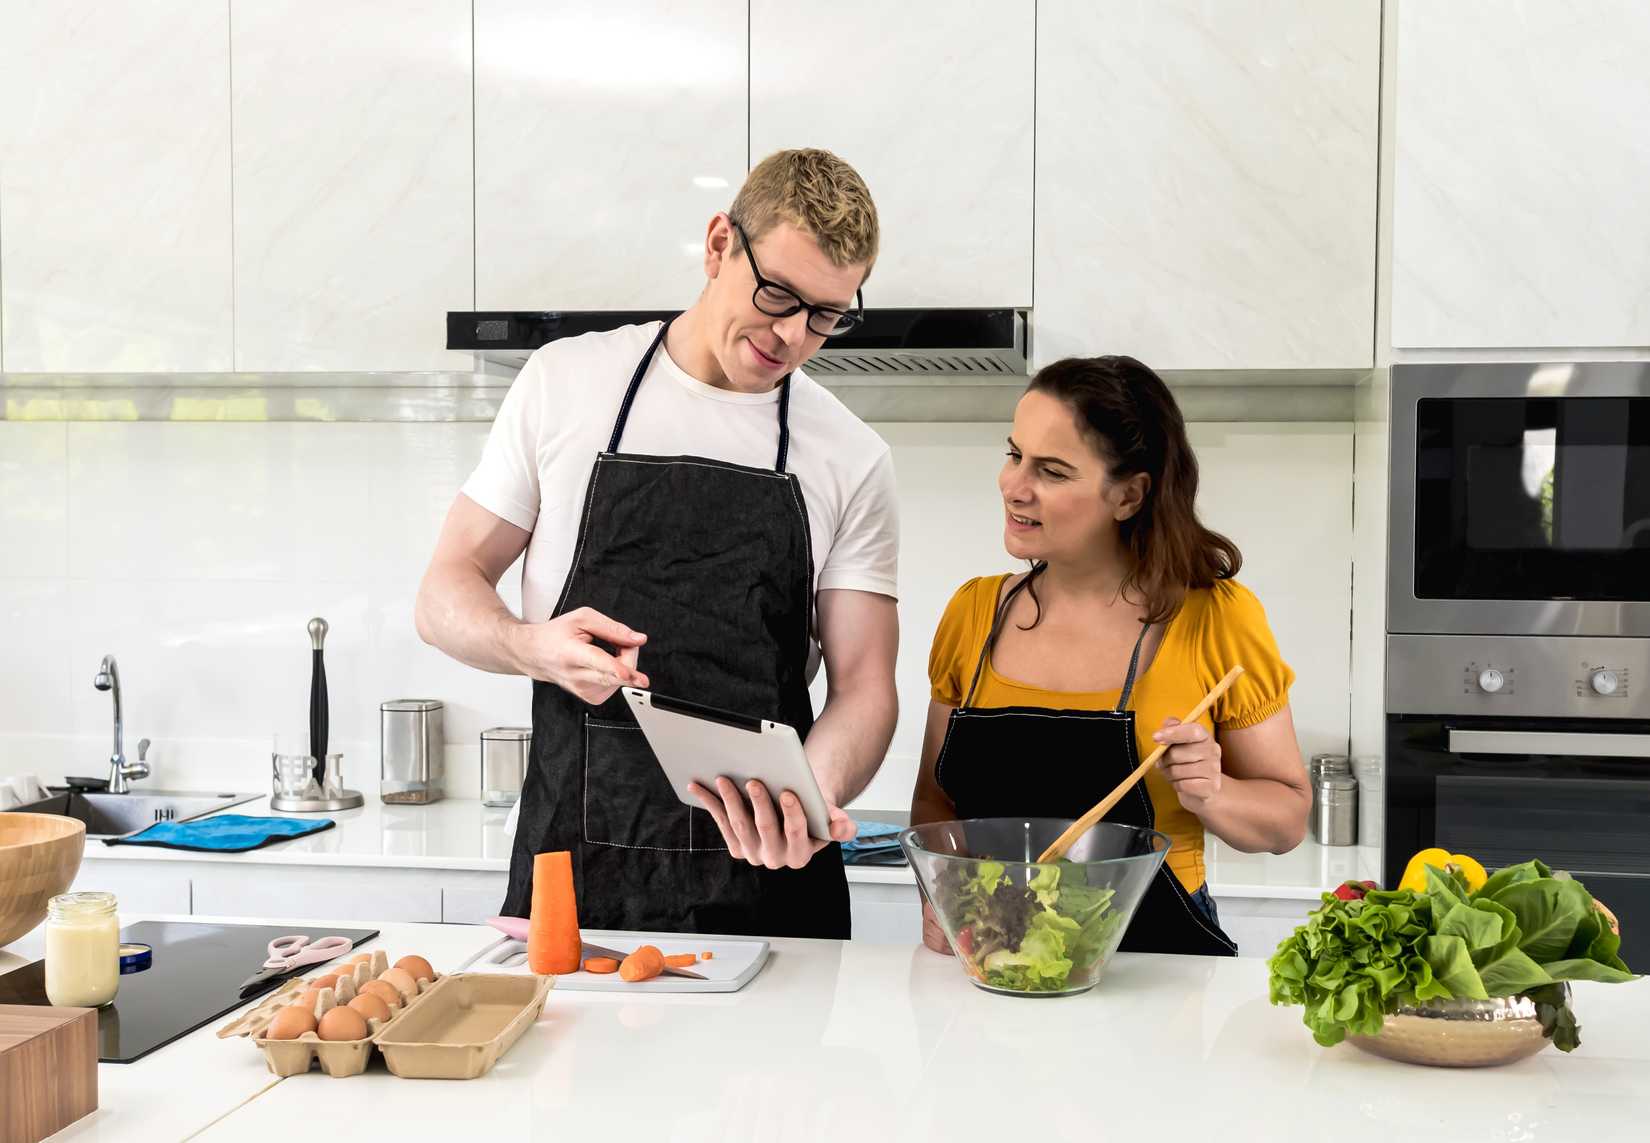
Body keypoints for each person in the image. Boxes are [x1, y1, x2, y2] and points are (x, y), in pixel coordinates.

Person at [416, 149, 900, 939]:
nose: (791, 335)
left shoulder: (851, 456)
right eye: (776, 293)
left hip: (770, 894)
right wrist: (530, 644)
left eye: (824, 315)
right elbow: (445, 588)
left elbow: (865, 687)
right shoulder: (565, 382)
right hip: (574, 885)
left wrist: (813, 789)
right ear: (718, 246)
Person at [909, 355, 1310, 956]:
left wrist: (1213, 791)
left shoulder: (1215, 617)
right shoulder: (973, 614)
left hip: (1157, 969)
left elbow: (1287, 822)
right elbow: (936, 802)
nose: (1014, 485)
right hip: (998, 963)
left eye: (1052, 471)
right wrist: (938, 891)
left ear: (1129, 494)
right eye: (1014, 454)